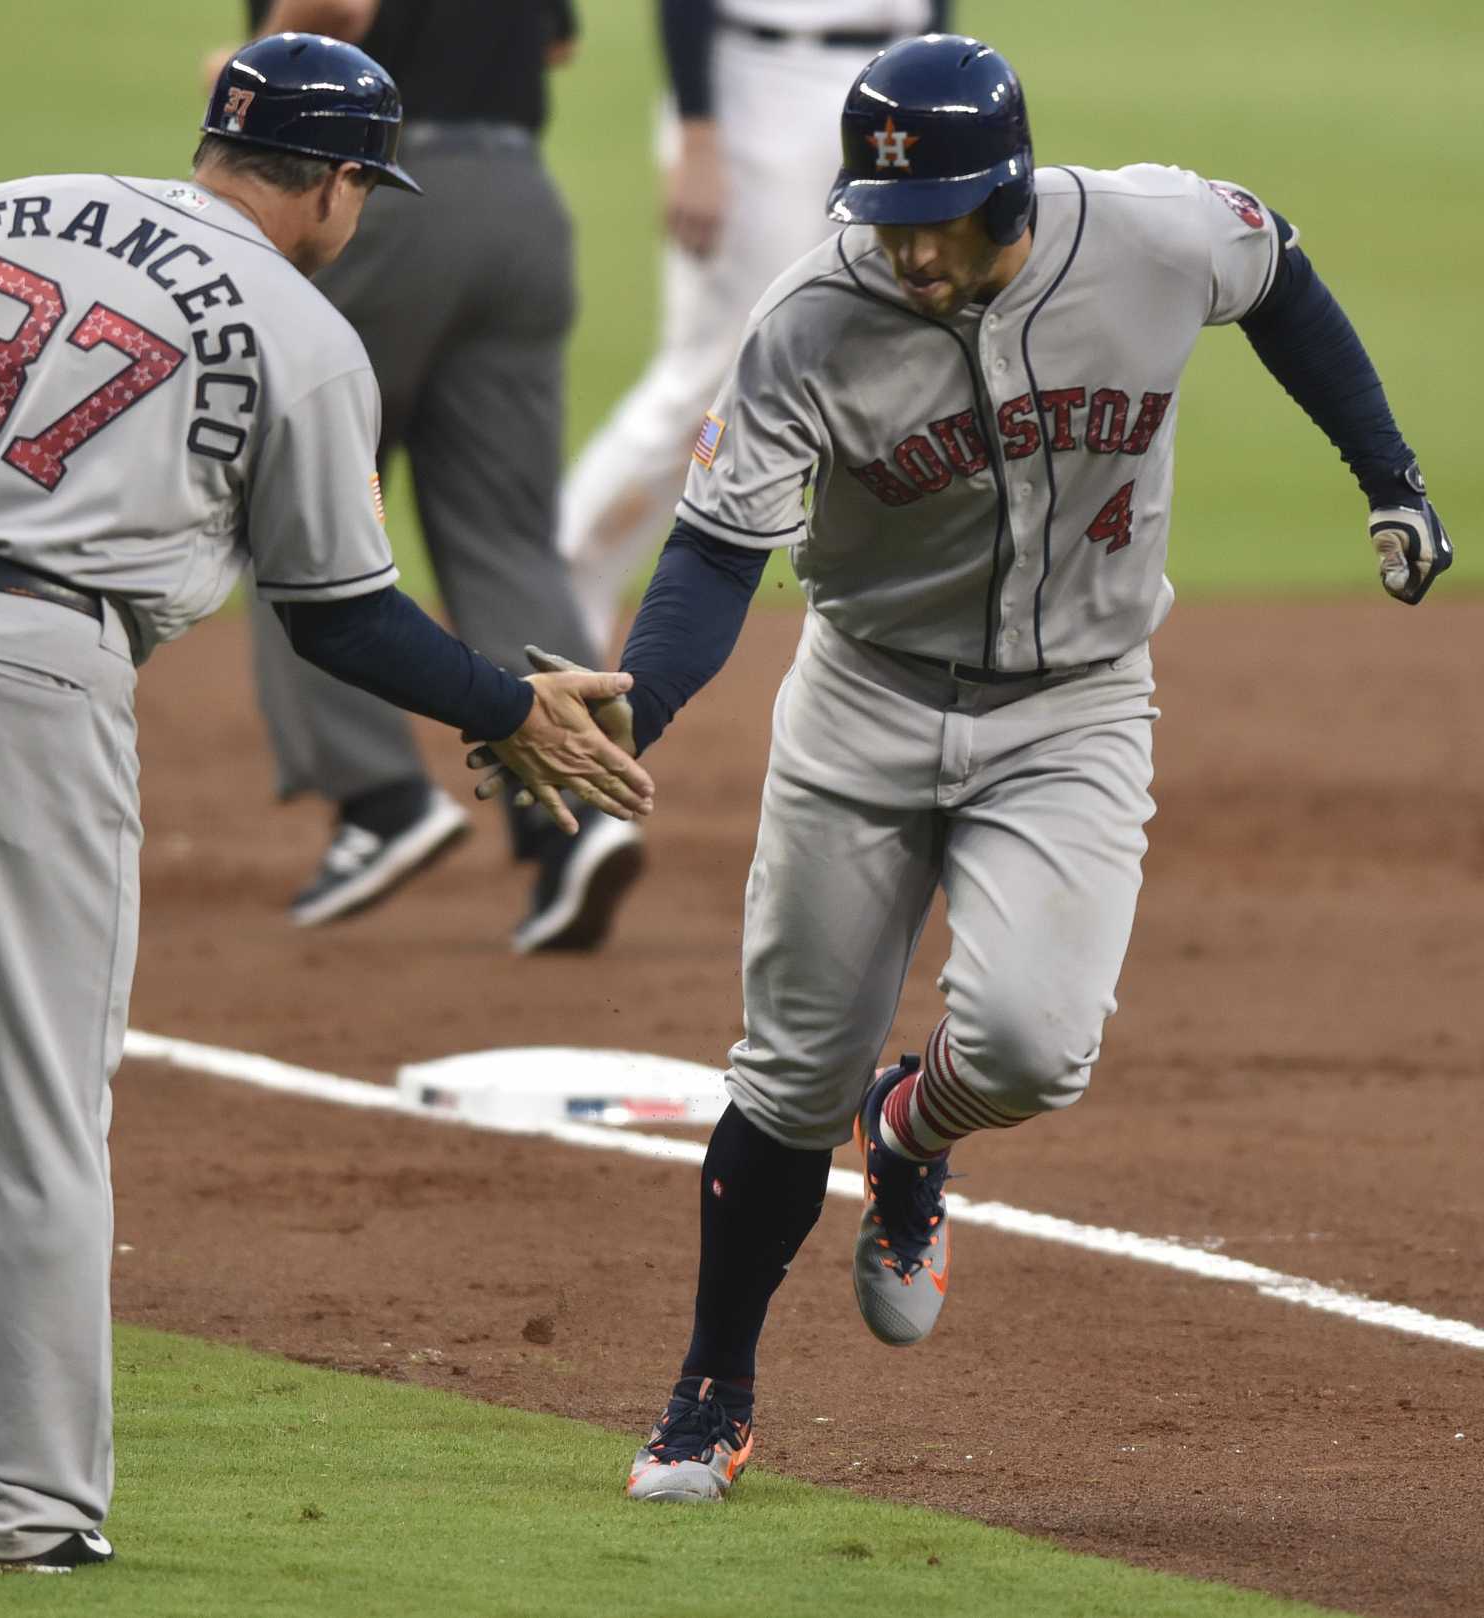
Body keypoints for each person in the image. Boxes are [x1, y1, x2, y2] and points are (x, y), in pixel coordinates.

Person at [0, 34, 652, 1574]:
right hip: (30, 672)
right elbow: (337, 614)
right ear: (340, 185)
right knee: (45, 1122)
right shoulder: (304, 330)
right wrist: (508, 706)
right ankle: (36, 1516)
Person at [478, 34, 1453, 1503]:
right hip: (864, 704)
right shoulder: (810, 313)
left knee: (1030, 1048)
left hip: (1074, 708)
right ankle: (711, 1389)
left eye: (937, 216)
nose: (908, 248)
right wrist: (641, 705)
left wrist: (1390, 479)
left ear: (1010, 191)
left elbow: (1285, 278)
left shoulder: (1152, 231)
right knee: (786, 1073)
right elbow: (714, 551)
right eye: (886, 216)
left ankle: (910, 1130)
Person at [222, 0, 645, 953]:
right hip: (521, 206)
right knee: (501, 531)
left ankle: (380, 799)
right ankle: (573, 819)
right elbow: (558, 41)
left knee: (290, 497)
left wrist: (257, 70)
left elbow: (338, 7)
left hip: (379, 194)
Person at [557, 0, 947, 653]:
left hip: (894, 86)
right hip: (761, 87)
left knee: (890, 350)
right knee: (717, 372)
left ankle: (905, 627)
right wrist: (698, 136)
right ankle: (557, 584)